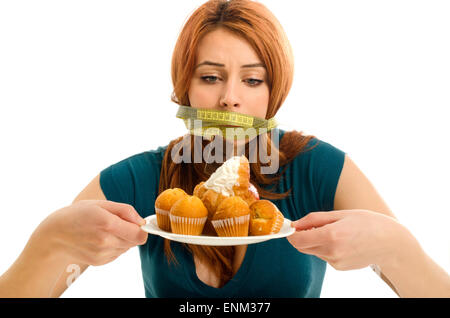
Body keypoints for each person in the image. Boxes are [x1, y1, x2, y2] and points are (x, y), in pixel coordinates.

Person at [0, 0, 449, 298]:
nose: (230, 98)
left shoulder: (319, 167)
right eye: (211, 77)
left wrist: (393, 247)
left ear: (273, 94)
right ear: (185, 89)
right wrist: (51, 242)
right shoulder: (143, 176)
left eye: (252, 80)